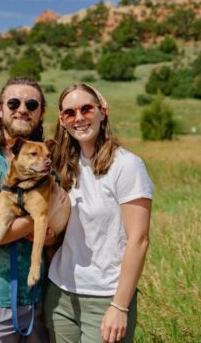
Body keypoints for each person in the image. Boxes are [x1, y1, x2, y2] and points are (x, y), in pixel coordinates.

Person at [0, 77, 69, 342]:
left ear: (41, 113)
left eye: (32, 104)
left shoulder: (44, 161)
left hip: (38, 298)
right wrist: (42, 216)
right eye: (13, 103)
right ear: (0, 110)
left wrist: (52, 230)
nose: (22, 109)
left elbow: (58, 230)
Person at [45, 84, 153, 343]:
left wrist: (119, 307)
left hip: (105, 297)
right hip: (60, 294)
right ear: (62, 120)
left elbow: (138, 240)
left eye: (87, 109)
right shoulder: (63, 165)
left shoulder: (127, 166)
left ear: (103, 111)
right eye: (70, 113)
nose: (79, 118)